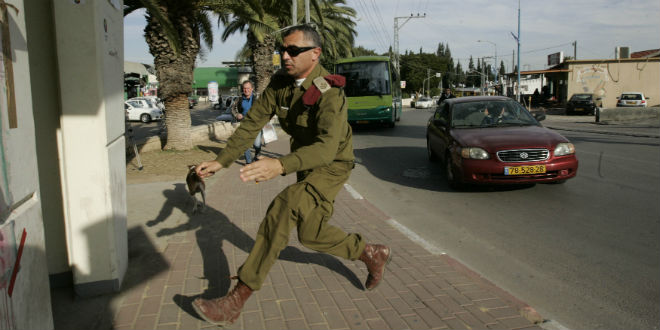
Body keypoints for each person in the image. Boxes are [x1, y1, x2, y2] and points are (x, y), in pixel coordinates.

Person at [191, 24, 392, 327]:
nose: (285, 55)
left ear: (315, 54)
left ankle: (236, 300)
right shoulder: (280, 83)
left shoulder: (329, 92)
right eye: (282, 50)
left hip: (332, 165)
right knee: (310, 234)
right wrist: (222, 160)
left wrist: (280, 165)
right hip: (305, 163)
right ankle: (369, 252)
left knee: (285, 206)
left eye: (293, 50)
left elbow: (325, 149)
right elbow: (253, 123)